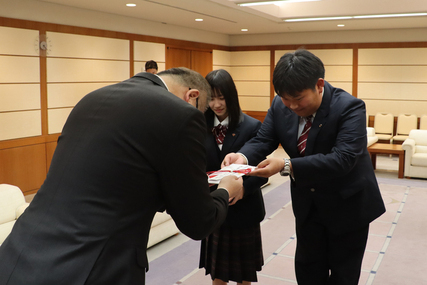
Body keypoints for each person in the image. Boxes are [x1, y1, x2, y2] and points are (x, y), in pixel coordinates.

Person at [0, 67, 244, 285]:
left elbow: (119, 178)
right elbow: (198, 222)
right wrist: (225, 190)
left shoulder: (93, 98)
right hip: (91, 267)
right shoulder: (181, 113)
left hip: (19, 252)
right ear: (192, 96)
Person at [222, 49, 386, 285]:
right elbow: (263, 140)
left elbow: (343, 159)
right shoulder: (280, 105)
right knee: (308, 271)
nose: (291, 106)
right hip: (307, 205)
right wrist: (242, 156)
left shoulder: (350, 107)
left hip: (347, 206)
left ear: (319, 85)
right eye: (284, 98)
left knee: (344, 275)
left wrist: (285, 165)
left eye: (298, 99)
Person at [199, 69, 267, 285]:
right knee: (217, 273)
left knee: (243, 274)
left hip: (243, 210)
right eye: (211, 98)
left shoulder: (251, 126)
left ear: (231, 96)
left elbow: (262, 173)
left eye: (222, 97)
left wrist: (243, 189)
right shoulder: (200, 125)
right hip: (213, 207)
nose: (217, 104)